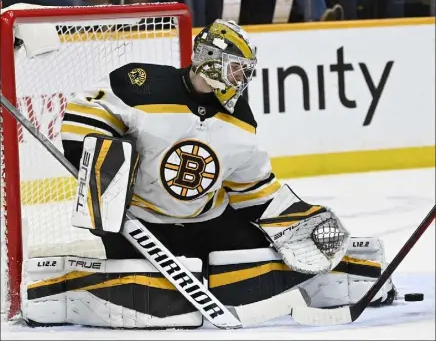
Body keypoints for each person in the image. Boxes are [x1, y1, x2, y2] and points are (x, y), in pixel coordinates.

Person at [20, 19, 396, 328]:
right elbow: (83, 117)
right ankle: (63, 288)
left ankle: (352, 274)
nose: (241, 79)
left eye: (245, 72)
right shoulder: (142, 83)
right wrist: (106, 162)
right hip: (137, 224)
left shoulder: (241, 121)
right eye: (236, 69)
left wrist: (295, 216)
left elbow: (254, 192)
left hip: (207, 223)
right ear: (211, 61)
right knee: (162, 301)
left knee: (260, 266)